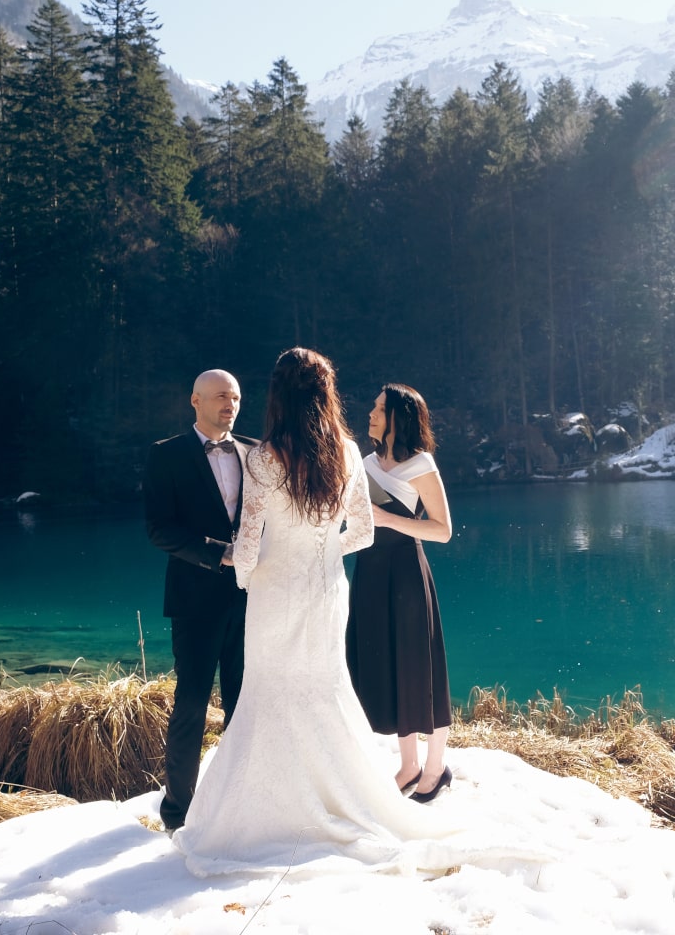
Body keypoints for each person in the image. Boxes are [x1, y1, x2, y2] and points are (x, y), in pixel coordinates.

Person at [174, 349, 463, 875]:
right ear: (326, 394)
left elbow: (249, 541)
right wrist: (324, 554)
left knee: (268, 694)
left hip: (272, 594)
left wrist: (246, 574)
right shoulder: (351, 453)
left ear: (279, 396)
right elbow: (364, 532)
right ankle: (341, 798)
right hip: (328, 590)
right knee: (324, 691)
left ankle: (269, 809)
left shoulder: (262, 458)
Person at [144, 369, 257, 832]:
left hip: (252, 598)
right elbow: (160, 530)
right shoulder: (165, 455)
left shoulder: (256, 453)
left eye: (234, 396)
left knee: (244, 703)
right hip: (194, 600)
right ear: (195, 401)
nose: (229, 404)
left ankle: (239, 802)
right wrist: (220, 554)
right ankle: (178, 812)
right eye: (219, 397)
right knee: (190, 703)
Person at [346, 384, 455, 803]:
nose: (370, 413)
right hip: (370, 572)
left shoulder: (421, 464)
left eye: (378, 408)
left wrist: (386, 519)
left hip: (407, 572)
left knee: (420, 667)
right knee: (388, 665)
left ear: (398, 416)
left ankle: (435, 767)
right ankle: (408, 764)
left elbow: (441, 530)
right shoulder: (366, 461)